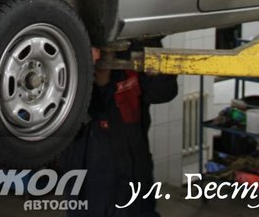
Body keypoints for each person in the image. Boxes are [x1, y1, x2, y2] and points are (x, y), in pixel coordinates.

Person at [59, 41, 178, 216]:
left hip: (134, 165)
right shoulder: (70, 58)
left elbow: (163, 92)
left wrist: (162, 65)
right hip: (88, 169)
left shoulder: (135, 53)